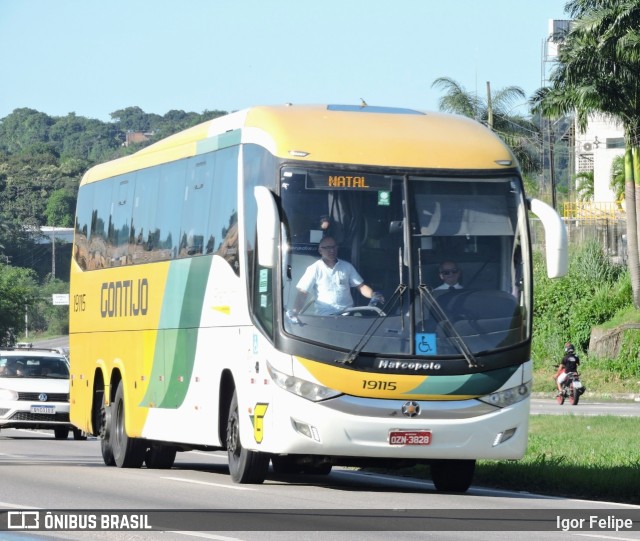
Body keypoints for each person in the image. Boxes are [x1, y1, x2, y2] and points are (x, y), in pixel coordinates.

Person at [288, 236, 383, 317]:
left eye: (334, 247)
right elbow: (303, 292)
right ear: (320, 250)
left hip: (348, 315)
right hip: (325, 317)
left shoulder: (347, 266)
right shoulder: (314, 269)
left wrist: (373, 295)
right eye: (328, 247)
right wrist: (295, 312)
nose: (332, 250)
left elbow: (361, 286)